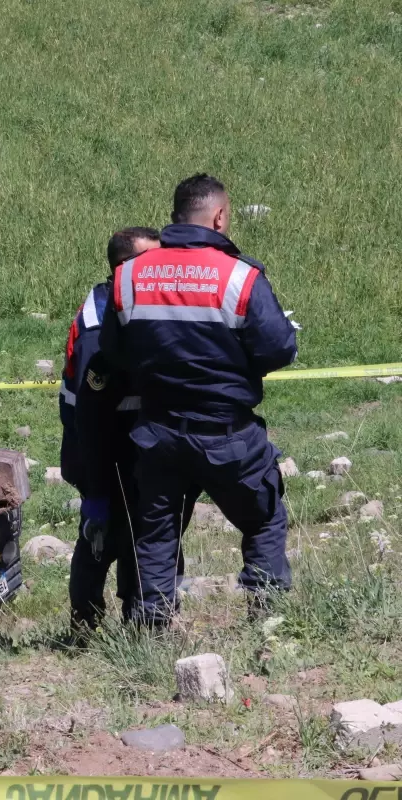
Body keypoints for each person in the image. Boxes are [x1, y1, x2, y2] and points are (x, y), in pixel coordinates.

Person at [98, 174, 298, 625]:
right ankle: (266, 621)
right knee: (264, 520)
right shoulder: (240, 276)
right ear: (220, 216)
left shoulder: (129, 275)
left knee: (157, 535)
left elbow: (113, 351)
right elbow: (279, 348)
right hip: (229, 435)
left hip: (158, 432)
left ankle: (151, 629)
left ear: (175, 216)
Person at [61, 227, 194, 634]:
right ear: (123, 270)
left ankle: (144, 619)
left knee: (152, 532)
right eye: (152, 263)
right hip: (102, 447)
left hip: (139, 441)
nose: (163, 271)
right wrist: (98, 492)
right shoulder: (100, 328)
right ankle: (87, 622)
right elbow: (90, 418)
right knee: (105, 537)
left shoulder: (139, 306)